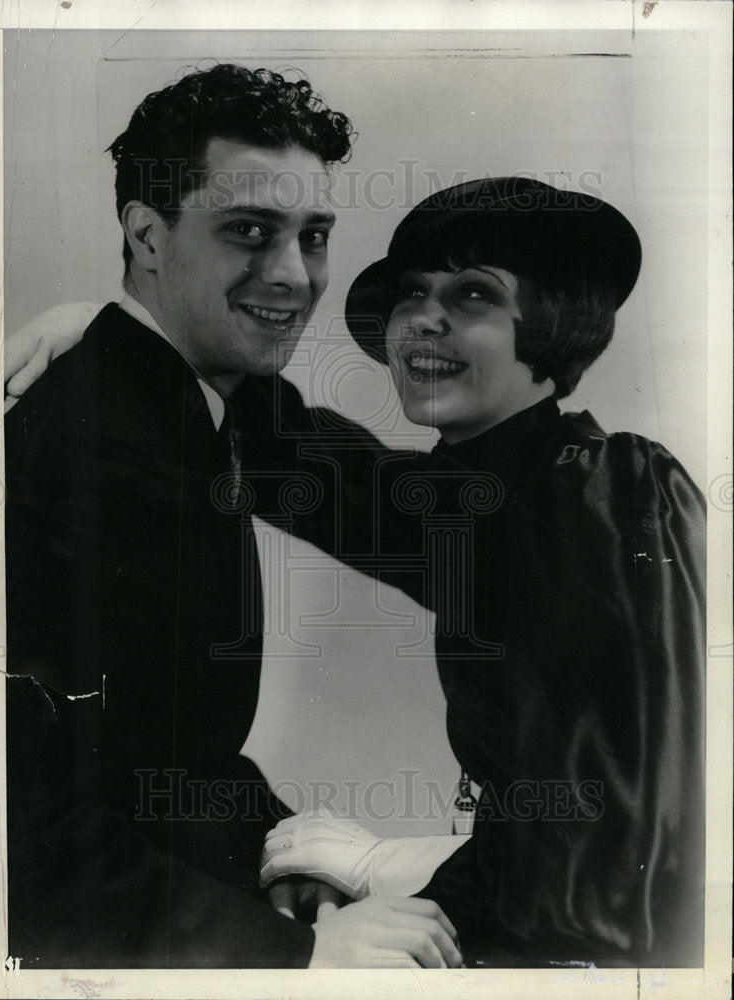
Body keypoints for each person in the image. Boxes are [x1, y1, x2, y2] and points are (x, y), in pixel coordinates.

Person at [3, 62, 462, 970]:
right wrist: (290, 960)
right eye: (249, 231)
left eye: (313, 235)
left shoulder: (196, 392)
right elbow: (21, 830)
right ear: (146, 234)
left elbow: (416, 517)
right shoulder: (76, 450)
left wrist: (271, 848)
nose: (292, 276)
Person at [258, 177, 706, 968]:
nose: (424, 317)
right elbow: (292, 455)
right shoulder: (489, 492)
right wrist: (116, 336)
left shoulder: (594, 490)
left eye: (472, 294)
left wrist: (386, 898)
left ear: (551, 328)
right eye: (411, 294)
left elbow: (604, 855)